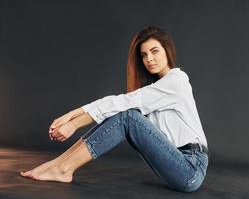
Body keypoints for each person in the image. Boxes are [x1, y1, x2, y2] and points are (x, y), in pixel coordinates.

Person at [20, 26, 209, 193]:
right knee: (124, 113)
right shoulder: (157, 87)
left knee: (128, 116)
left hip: (190, 168)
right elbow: (119, 103)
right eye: (144, 55)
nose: (149, 59)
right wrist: (73, 114)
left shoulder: (177, 80)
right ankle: (58, 164)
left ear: (167, 51)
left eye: (154, 51)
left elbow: (125, 103)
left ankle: (63, 168)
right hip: (178, 164)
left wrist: (74, 122)